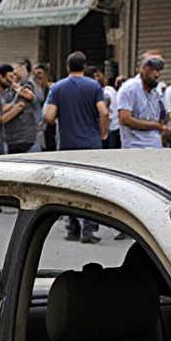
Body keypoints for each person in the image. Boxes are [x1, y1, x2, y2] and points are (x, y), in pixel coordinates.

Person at [45, 52, 110, 242]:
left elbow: (49, 116)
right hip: (91, 144)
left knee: (70, 186)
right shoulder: (94, 86)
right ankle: (88, 229)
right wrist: (103, 132)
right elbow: (103, 111)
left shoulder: (58, 87)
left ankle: (72, 227)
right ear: (84, 66)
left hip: (67, 144)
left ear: (67, 67)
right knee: (91, 186)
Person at [116, 55, 170, 149]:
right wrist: (156, 126)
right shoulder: (129, 89)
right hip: (135, 146)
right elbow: (125, 119)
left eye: (158, 71)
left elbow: (161, 115)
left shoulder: (155, 91)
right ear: (143, 69)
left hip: (155, 145)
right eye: (153, 71)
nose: (156, 75)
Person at [0, 63, 38, 154]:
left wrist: (15, 87)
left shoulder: (25, 86)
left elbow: (29, 96)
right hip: (11, 137)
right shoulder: (4, 91)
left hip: (24, 137)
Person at [100, 69, 121, 149]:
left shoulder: (105, 92)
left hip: (110, 126)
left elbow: (104, 111)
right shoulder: (110, 90)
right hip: (116, 125)